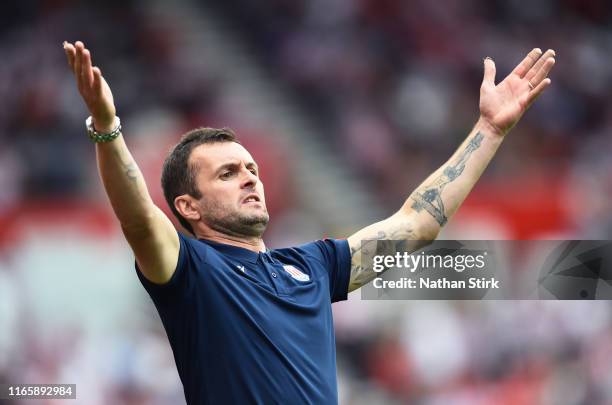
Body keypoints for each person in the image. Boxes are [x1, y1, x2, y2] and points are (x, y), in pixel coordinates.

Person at [63, 40, 555, 404]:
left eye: (252, 169)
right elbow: (138, 216)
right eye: (229, 173)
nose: (250, 179)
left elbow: (414, 226)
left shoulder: (313, 265)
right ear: (188, 206)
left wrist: (488, 130)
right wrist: (106, 127)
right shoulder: (190, 271)